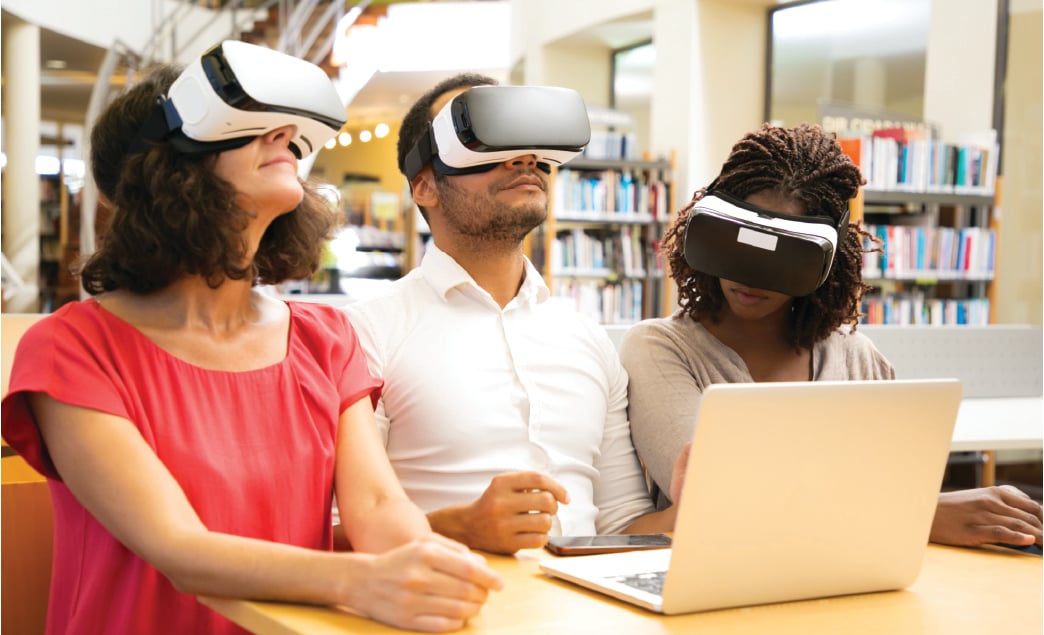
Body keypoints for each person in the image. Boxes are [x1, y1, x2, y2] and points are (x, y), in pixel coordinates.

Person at [1, 51, 501, 635]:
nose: (286, 135)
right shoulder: (72, 349)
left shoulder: (324, 338)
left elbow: (378, 508)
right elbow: (178, 547)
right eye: (247, 123)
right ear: (164, 164)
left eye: (286, 128)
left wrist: (429, 568)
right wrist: (363, 580)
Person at [619, 122, 1044, 549]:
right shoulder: (660, 349)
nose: (751, 278)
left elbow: (895, 482)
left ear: (826, 261)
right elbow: (724, 502)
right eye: (742, 247)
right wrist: (919, 513)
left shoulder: (857, 357)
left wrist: (908, 507)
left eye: (785, 256)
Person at [342, 73, 683, 556]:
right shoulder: (364, 334)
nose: (524, 157)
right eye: (483, 136)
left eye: (528, 140)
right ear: (425, 187)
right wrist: (455, 527)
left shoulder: (587, 339)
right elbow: (328, 530)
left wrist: (695, 507)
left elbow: (621, 522)